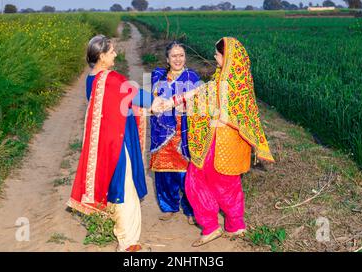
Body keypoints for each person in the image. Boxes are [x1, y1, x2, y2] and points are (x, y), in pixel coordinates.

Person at [157, 37, 275, 247]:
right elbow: (200, 93)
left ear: (227, 57)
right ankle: (235, 225)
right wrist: (173, 102)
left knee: (196, 180)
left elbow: (235, 113)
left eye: (218, 54)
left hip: (221, 143)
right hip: (225, 143)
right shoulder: (231, 78)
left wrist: (222, 116)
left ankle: (211, 226)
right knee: (227, 184)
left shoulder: (229, 82)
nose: (214, 57)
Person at [67, 35, 153, 252]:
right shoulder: (111, 79)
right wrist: (160, 101)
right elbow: (136, 96)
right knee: (125, 187)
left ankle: (121, 233)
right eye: (112, 51)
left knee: (114, 182)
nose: (115, 54)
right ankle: (127, 243)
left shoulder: (91, 79)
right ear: (102, 56)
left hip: (103, 141)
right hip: (117, 140)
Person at [150, 41, 200, 224]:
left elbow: (199, 103)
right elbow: (155, 102)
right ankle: (168, 206)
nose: (178, 59)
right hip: (162, 132)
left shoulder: (192, 77)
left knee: (186, 173)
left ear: (185, 57)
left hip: (184, 132)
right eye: (174, 56)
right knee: (164, 171)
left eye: (181, 55)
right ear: (167, 59)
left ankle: (190, 209)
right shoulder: (158, 76)